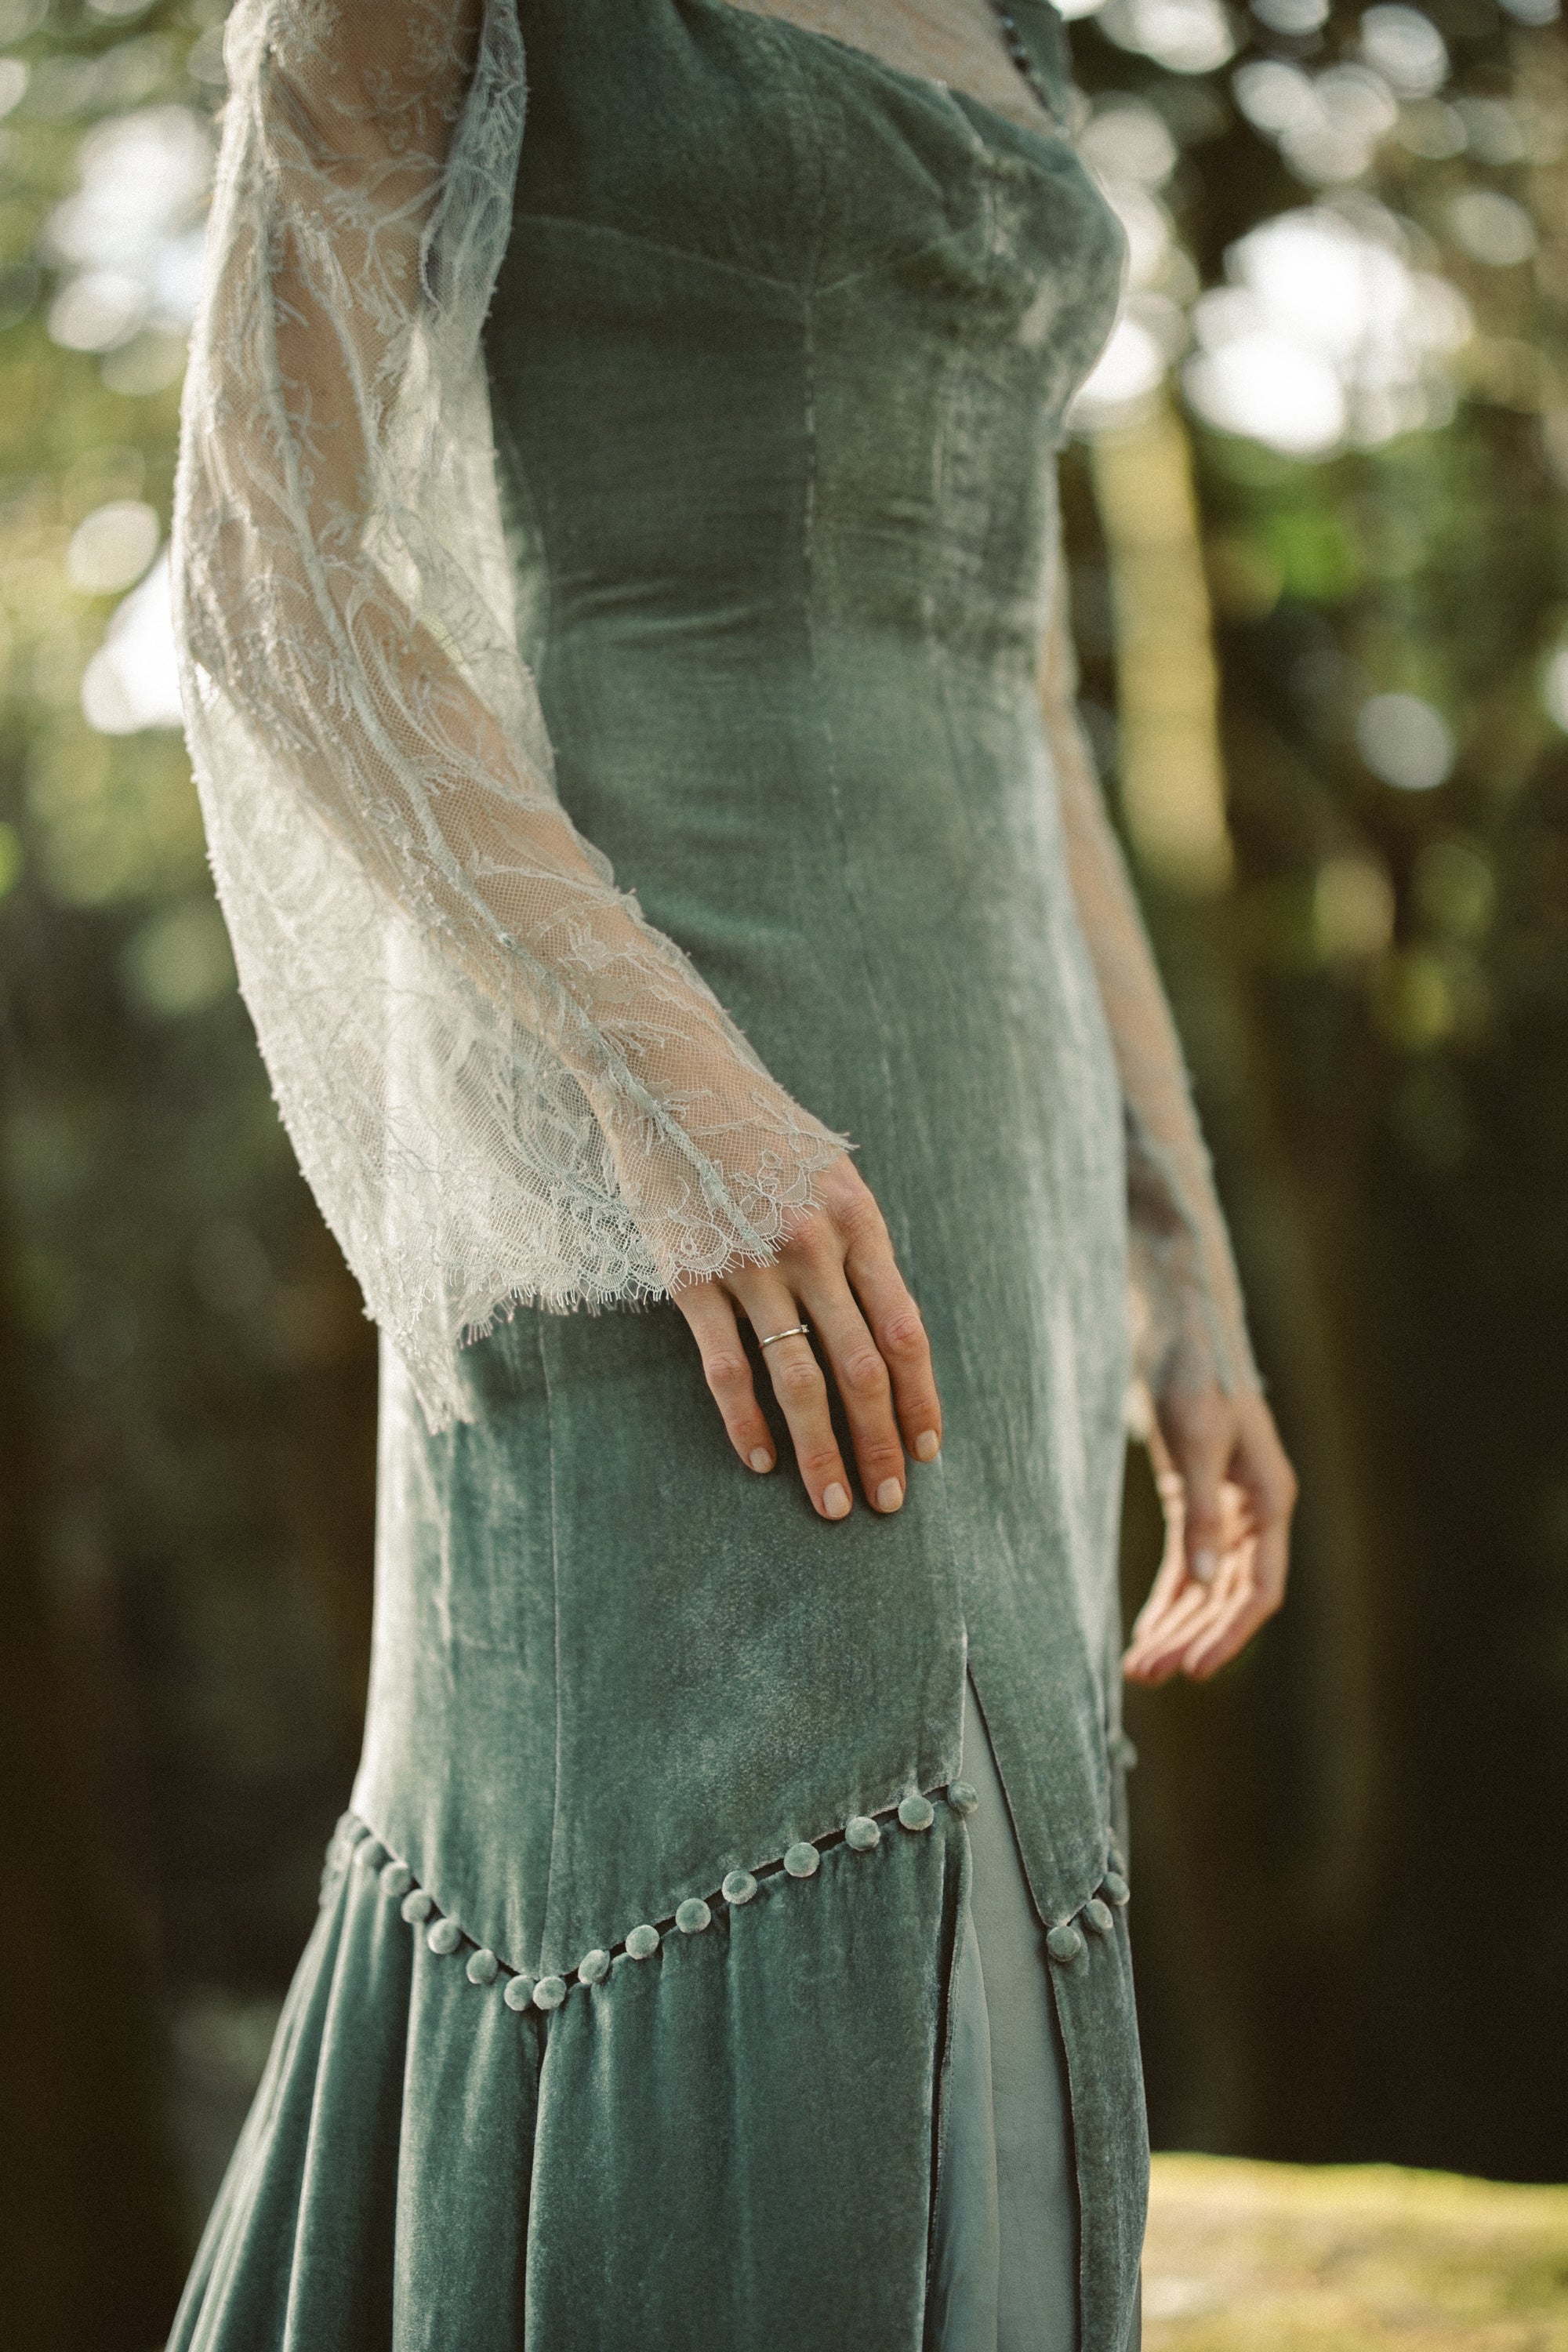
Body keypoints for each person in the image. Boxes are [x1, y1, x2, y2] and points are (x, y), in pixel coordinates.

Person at [165, 0, 1298, 2346]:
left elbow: (1022, 693)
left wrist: (1178, 1254)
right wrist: (683, 1104)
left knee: (999, 1961)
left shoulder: (1011, 23)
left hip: (994, 1138)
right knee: (724, 1910)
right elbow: (274, 565)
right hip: (644, 1120)